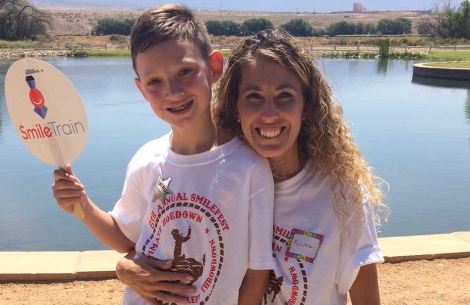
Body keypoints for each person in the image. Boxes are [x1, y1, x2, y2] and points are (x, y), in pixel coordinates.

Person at [116, 29, 388, 305]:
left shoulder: (342, 195)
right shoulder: (217, 181)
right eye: (253, 97)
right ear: (236, 106)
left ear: (306, 104)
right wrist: (126, 268)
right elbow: (152, 243)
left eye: (284, 95)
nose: (269, 114)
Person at [52, 5, 275, 305]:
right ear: (141, 90)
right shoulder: (147, 160)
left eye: (184, 71)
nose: (172, 91)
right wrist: (81, 205)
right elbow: (124, 239)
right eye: (154, 81)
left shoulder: (249, 167)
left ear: (214, 68)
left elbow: (257, 272)